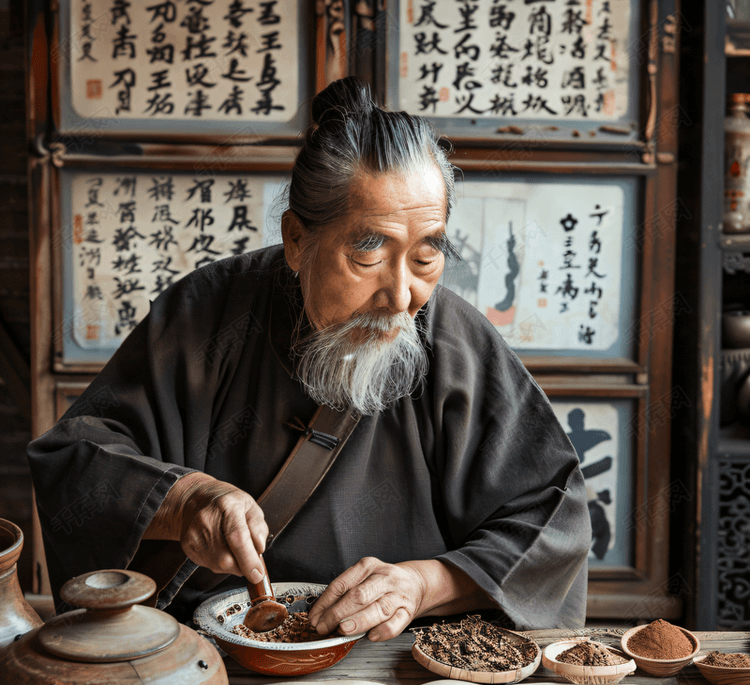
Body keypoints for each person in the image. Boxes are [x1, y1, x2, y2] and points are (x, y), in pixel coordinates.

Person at [27, 77, 591, 638]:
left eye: (425, 257)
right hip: (210, 659)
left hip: (393, 660)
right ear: (297, 239)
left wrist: (426, 583)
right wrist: (183, 500)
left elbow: (553, 516)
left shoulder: (452, 338)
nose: (400, 298)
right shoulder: (208, 313)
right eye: (368, 255)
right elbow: (74, 459)